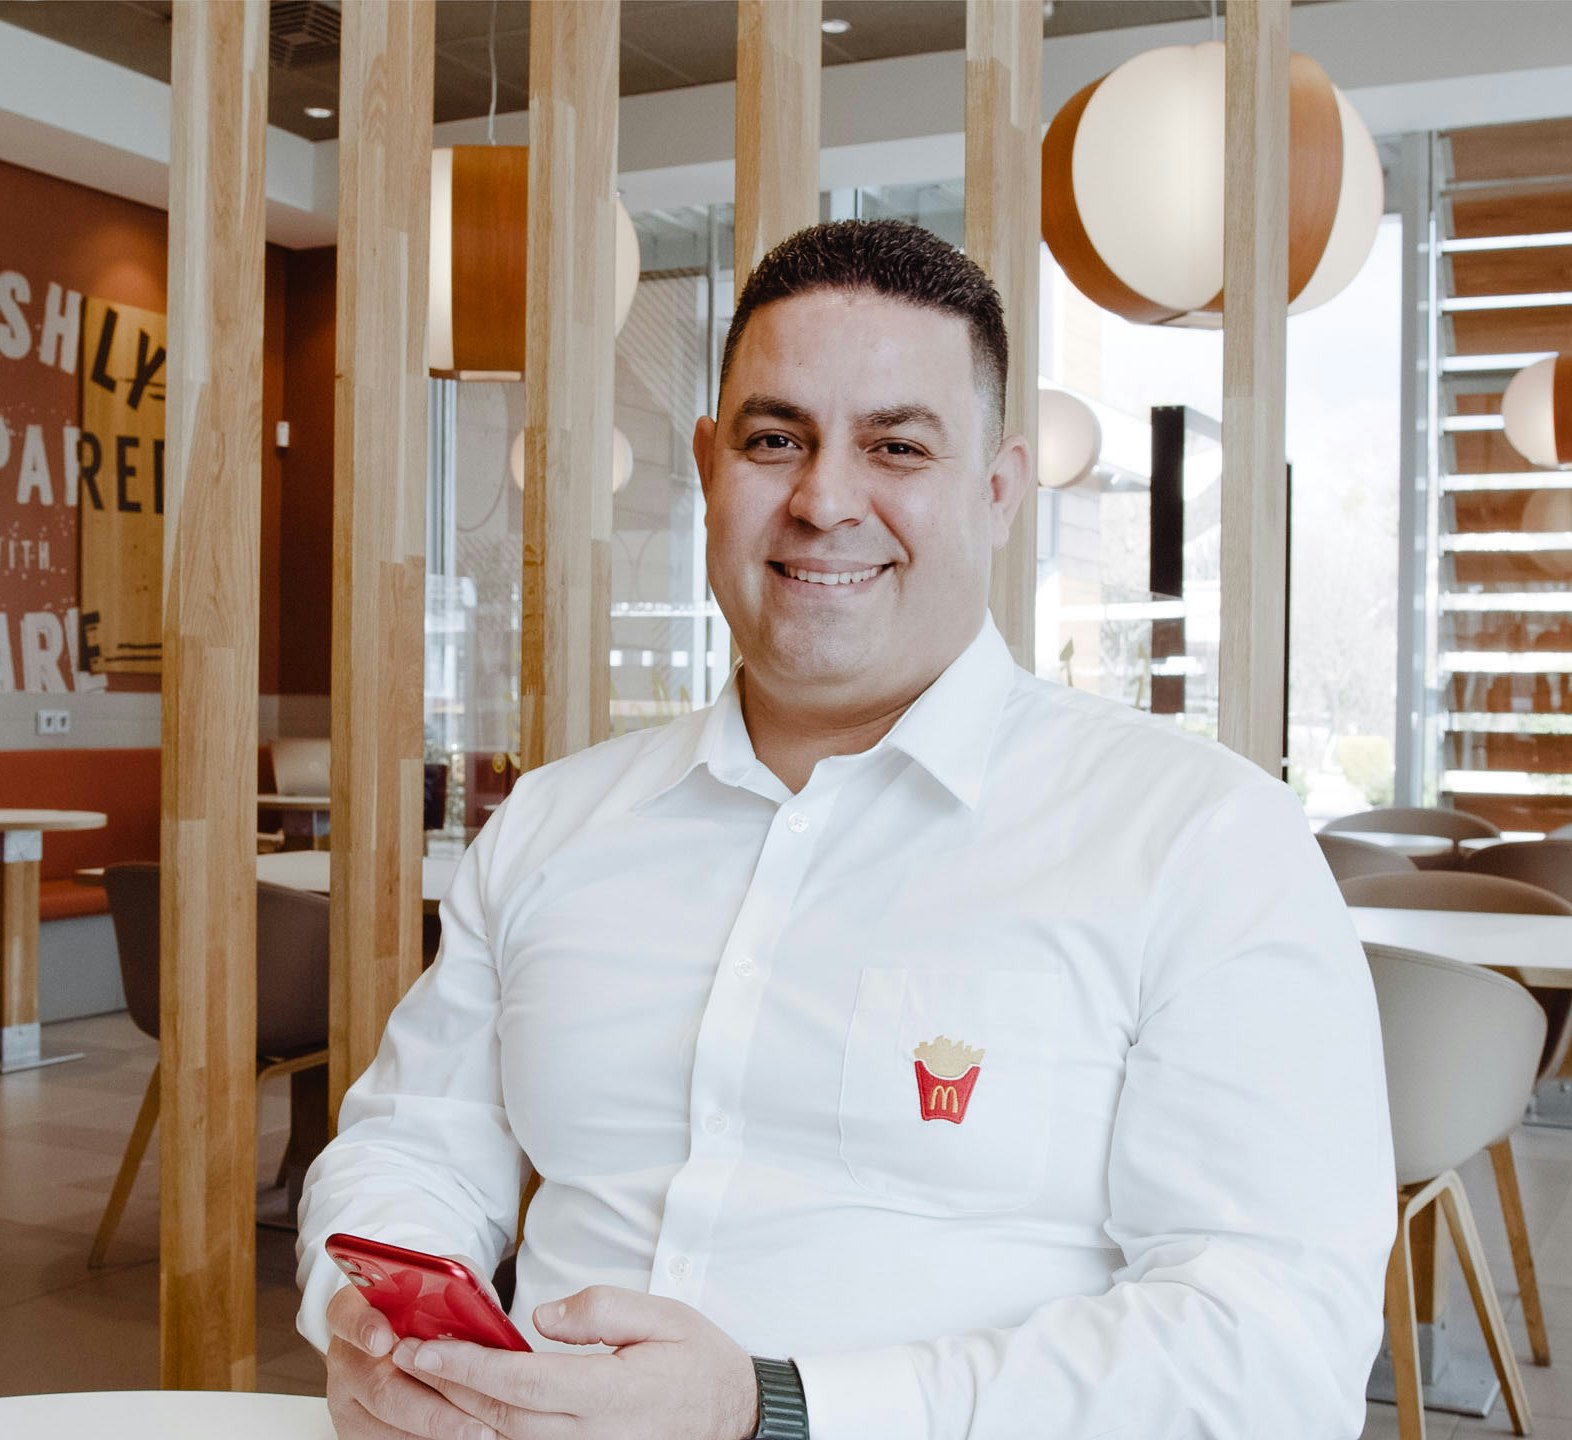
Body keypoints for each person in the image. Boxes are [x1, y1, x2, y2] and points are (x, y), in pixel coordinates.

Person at [297, 219, 1394, 1440]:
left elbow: (1271, 1346)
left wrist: (770, 1411)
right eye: (777, 441)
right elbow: (418, 1145)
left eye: (895, 447)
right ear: (713, 466)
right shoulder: (556, 822)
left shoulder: (1198, 839)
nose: (824, 501)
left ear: (997, 489)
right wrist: (377, 1323)